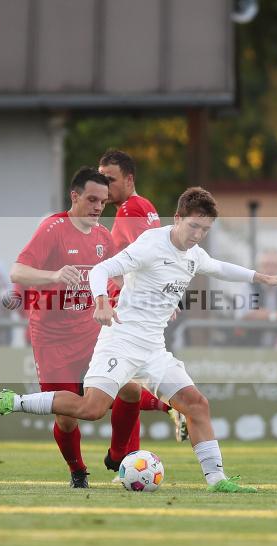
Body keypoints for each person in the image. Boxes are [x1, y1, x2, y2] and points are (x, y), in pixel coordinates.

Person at [0, 187, 277, 493]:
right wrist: (101, 301)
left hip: (153, 350)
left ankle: (217, 479)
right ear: (179, 218)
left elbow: (219, 268)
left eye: (205, 229)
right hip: (120, 341)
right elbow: (101, 269)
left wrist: (261, 278)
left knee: (197, 404)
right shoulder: (151, 245)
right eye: (194, 226)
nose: (197, 234)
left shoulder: (194, 254)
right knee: (91, 409)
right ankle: (14, 401)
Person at [0, 167, 114, 488]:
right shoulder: (52, 229)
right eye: (91, 199)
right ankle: (77, 470)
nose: (98, 207)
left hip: (90, 333)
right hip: (52, 339)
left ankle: (130, 445)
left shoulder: (104, 237)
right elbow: (18, 271)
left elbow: (117, 279)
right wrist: (53, 276)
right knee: (66, 416)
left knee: (120, 388)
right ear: (74, 197)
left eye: (103, 202)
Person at [98, 148, 186, 470]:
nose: (104, 186)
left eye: (111, 179)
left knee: (111, 385)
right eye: (101, 179)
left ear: (129, 179)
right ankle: (123, 456)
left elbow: (145, 259)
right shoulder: (145, 206)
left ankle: (123, 451)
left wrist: (157, 294)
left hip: (123, 308)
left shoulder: (129, 211)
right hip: (136, 305)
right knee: (127, 384)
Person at [238, 249, 277, 348]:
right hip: (254, 347)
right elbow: (243, 314)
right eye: (266, 265)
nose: (270, 270)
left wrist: (271, 315)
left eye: (274, 266)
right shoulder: (249, 286)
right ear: (259, 268)